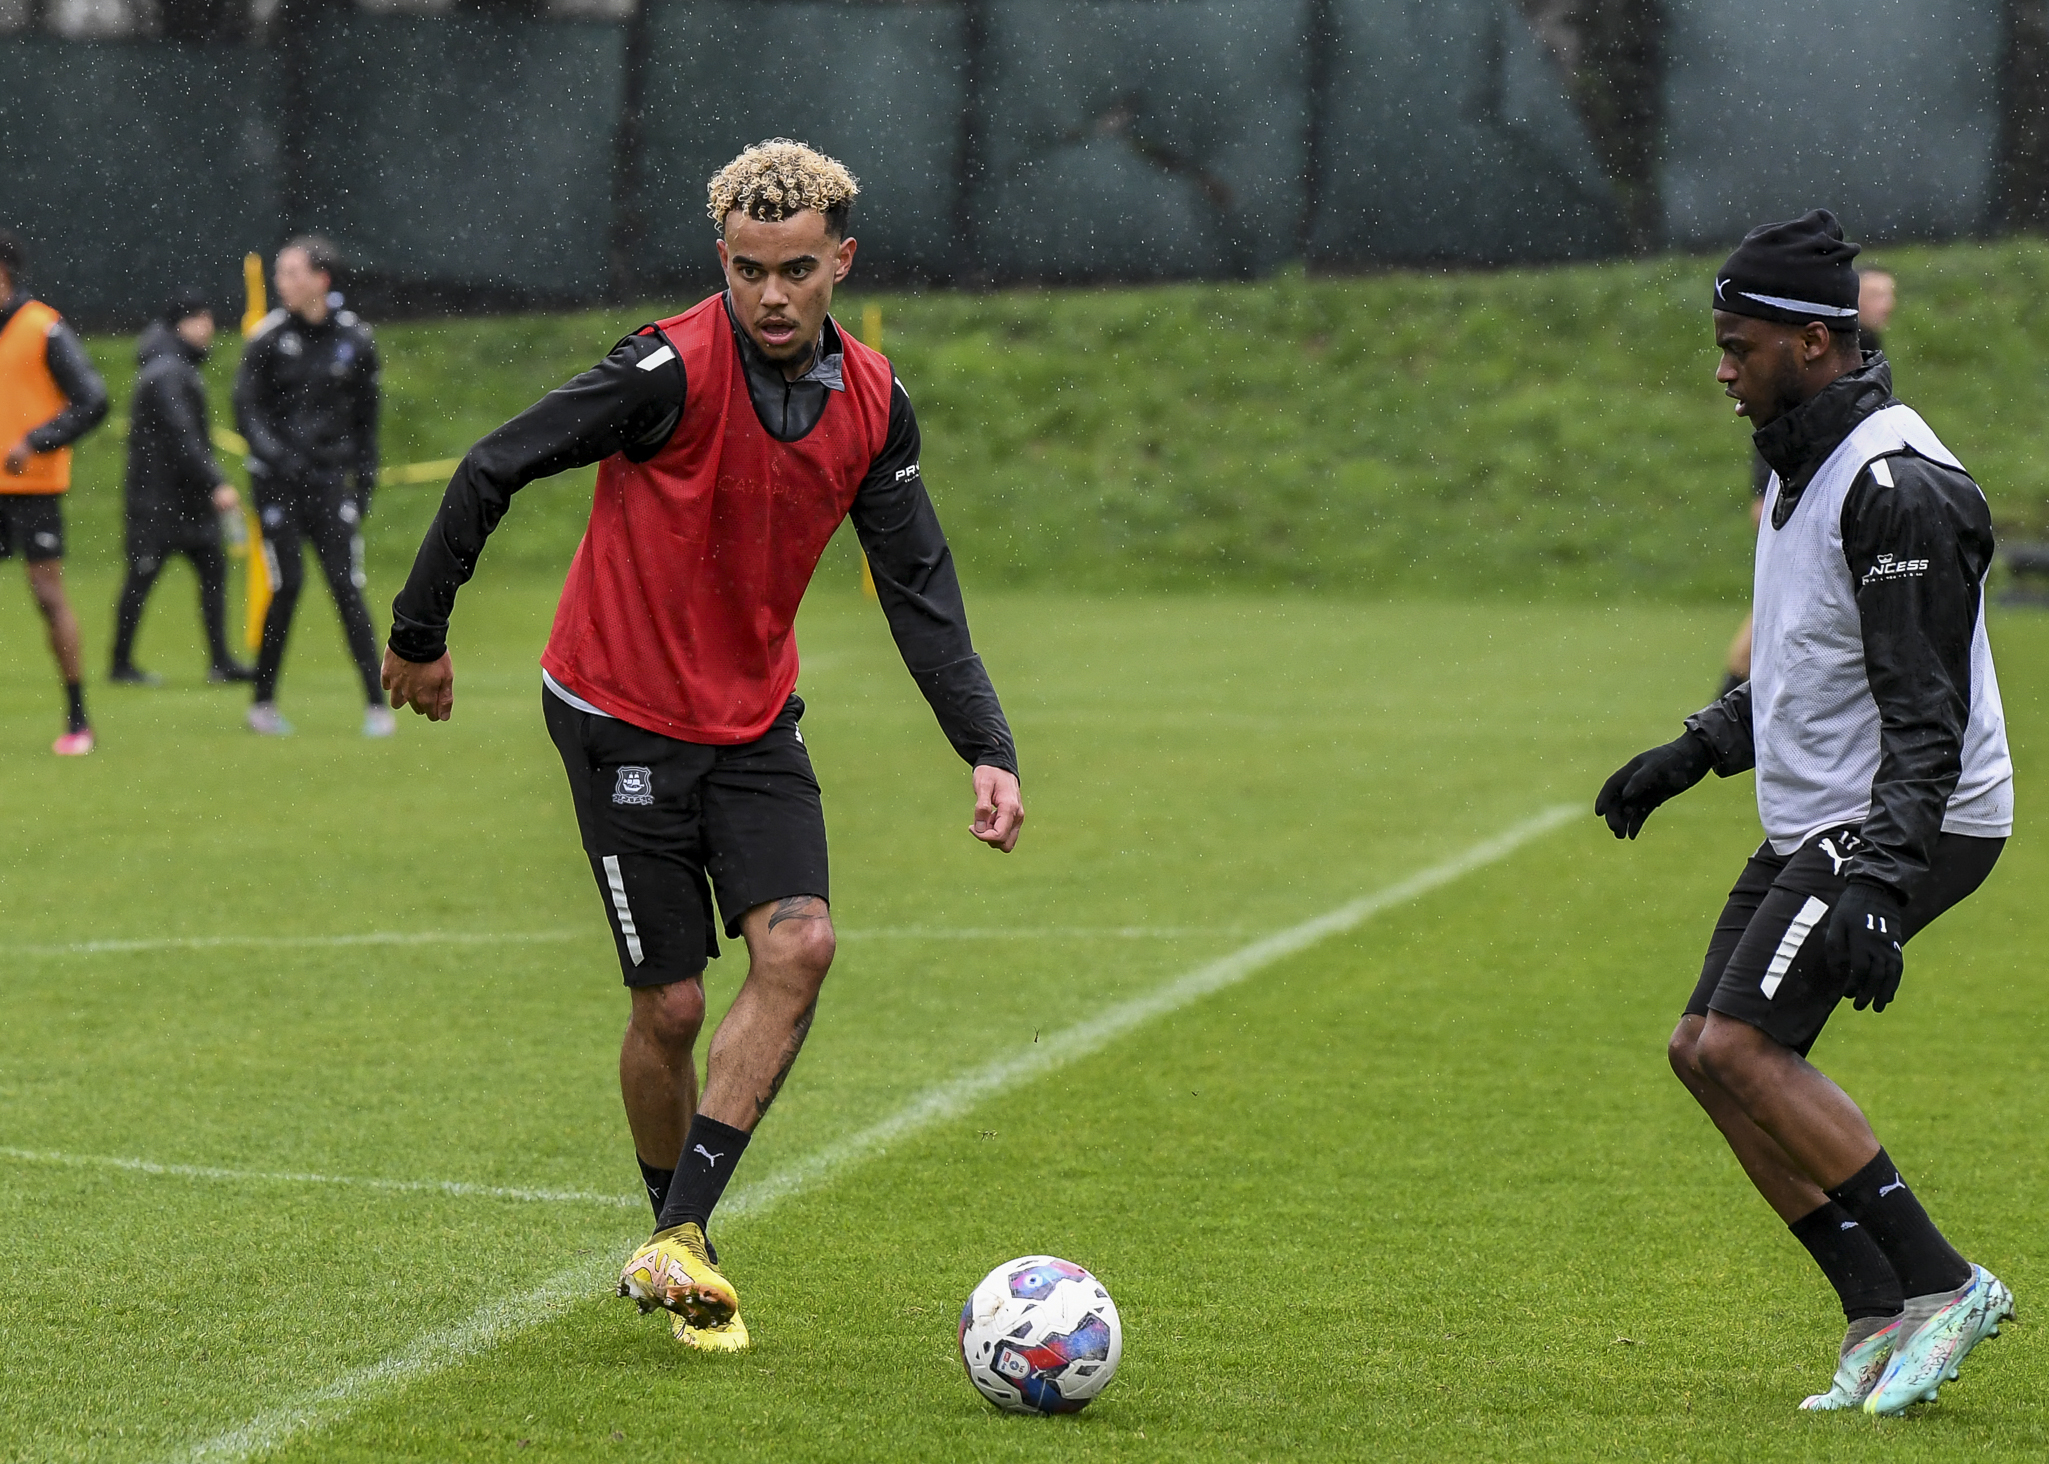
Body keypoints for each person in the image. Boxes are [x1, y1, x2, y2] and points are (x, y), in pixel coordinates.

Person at [381, 140, 1024, 1353]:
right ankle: (675, 1236)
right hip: (616, 711)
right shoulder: (666, 369)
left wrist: (985, 744)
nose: (771, 295)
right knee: (670, 1007)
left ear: (842, 262)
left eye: (795, 270)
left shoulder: (875, 402)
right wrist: (420, 634)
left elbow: (919, 588)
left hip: (750, 719)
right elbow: (493, 464)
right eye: (746, 270)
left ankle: (680, 1239)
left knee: (803, 945)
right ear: (719, 261)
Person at [1599, 210, 2014, 1416]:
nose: (1722, 369)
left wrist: (1884, 882)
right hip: (1828, 815)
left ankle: (1943, 1285)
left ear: (1815, 345)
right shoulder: (1799, 461)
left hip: (1909, 817)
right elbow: (1804, 666)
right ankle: (1874, 1310)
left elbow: (1924, 714)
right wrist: (1696, 749)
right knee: (1701, 1055)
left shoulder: (1900, 487)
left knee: (1744, 1047)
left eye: (1739, 346)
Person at [234, 236, 390, 736]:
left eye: (292, 273)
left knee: (347, 587)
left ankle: (376, 707)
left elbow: (368, 420)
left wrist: (363, 482)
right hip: (278, 488)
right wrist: (276, 458)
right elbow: (246, 410)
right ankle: (262, 704)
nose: (284, 283)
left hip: (329, 485)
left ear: (321, 280)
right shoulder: (266, 337)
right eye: (280, 273)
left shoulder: (355, 339)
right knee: (288, 585)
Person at [1720, 264, 1899, 694]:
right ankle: (1722, 730)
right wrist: (1766, 488)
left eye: (1889, 294)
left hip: (1834, 500)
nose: (1887, 303)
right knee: (1769, 633)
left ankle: (1722, 730)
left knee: (1776, 632)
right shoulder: (1824, 357)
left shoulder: (1863, 352)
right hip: (1808, 496)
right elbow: (1781, 417)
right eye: (1877, 294)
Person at [0, 227, 110, 754]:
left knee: (47, 595)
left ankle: (77, 717)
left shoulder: (43, 327)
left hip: (32, 487)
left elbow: (92, 400)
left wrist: (36, 442)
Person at [110, 294, 253, 685]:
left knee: (210, 574)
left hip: (181, 500)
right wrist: (216, 482)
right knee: (142, 578)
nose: (208, 326)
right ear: (179, 324)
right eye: (199, 318)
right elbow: (183, 437)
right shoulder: (167, 373)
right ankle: (120, 665)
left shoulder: (173, 367)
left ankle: (220, 661)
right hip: (160, 501)